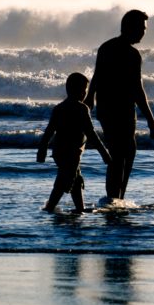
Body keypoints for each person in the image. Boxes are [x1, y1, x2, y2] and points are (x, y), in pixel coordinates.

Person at [85, 9, 154, 201]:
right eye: (142, 28)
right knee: (121, 155)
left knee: (123, 153)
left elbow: (96, 76)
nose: (144, 33)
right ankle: (115, 198)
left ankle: (117, 197)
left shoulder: (106, 47)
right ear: (130, 27)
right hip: (121, 110)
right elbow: (137, 89)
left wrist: (90, 98)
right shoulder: (132, 54)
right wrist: (151, 121)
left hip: (106, 109)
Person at [37, 72, 111, 213]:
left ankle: (79, 208)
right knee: (64, 181)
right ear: (74, 90)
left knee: (75, 180)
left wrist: (42, 150)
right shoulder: (82, 109)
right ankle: (50, 207)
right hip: (72, 153)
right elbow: (91, 134)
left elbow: (48, 132)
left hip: (59, 152)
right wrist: (104, 152)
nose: (85, 93)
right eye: (84, 90)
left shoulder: (58, 108)